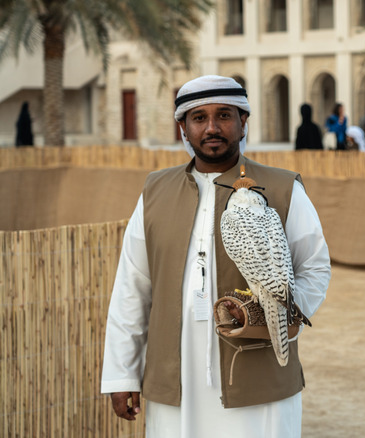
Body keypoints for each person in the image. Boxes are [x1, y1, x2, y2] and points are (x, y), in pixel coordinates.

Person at [101, 75, 331, 438]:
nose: (211, 127)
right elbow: (133, 286)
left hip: (257, 366)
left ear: (243, 123)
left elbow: (314, 267)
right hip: (175, 369)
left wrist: (269, 315)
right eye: (198, 118)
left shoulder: (283, 188)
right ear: (183, 127)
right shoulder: (155, 191)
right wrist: (121, 372)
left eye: (224, 115)